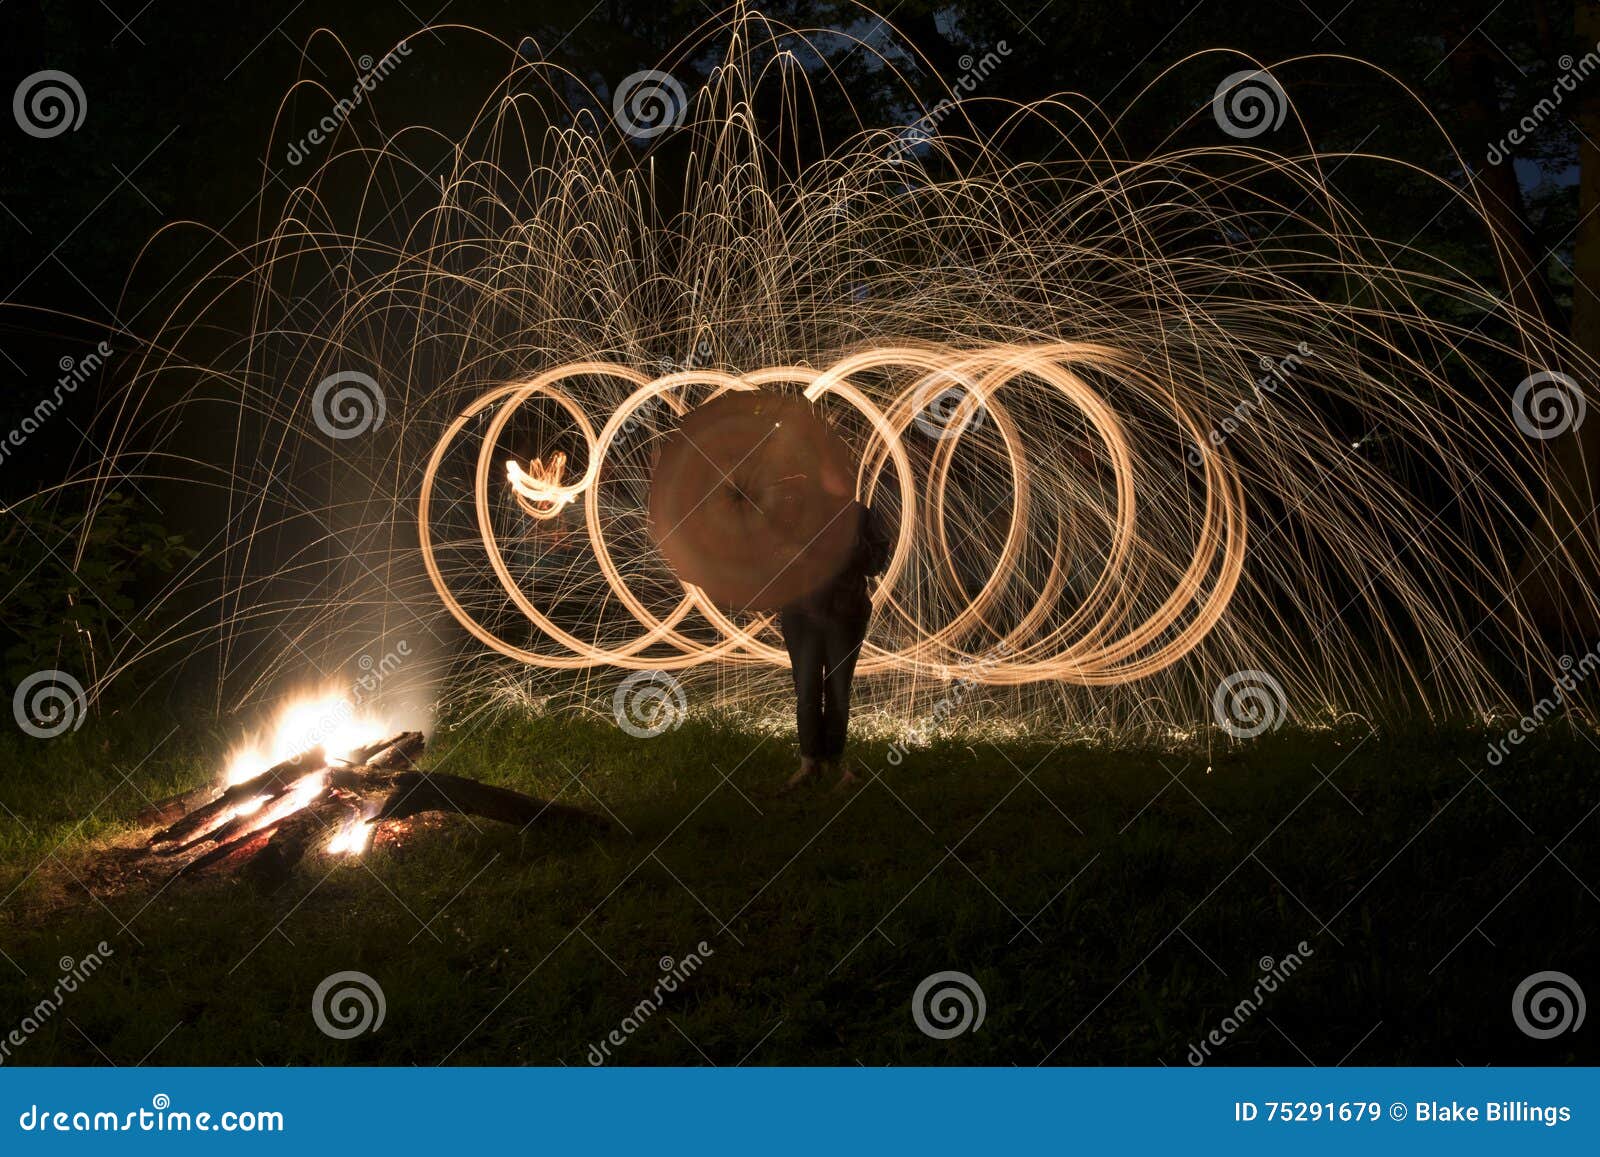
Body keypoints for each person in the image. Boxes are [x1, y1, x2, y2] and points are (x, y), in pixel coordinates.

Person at [777, 499, 892, 792]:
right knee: (806, 688)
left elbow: (876, 563)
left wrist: (850, 543)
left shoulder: (858, 515)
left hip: (845, 615)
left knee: (838, 690)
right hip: (801, 613)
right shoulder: (791, 510)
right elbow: (772, 558)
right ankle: (809, 763)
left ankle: (831, 761)